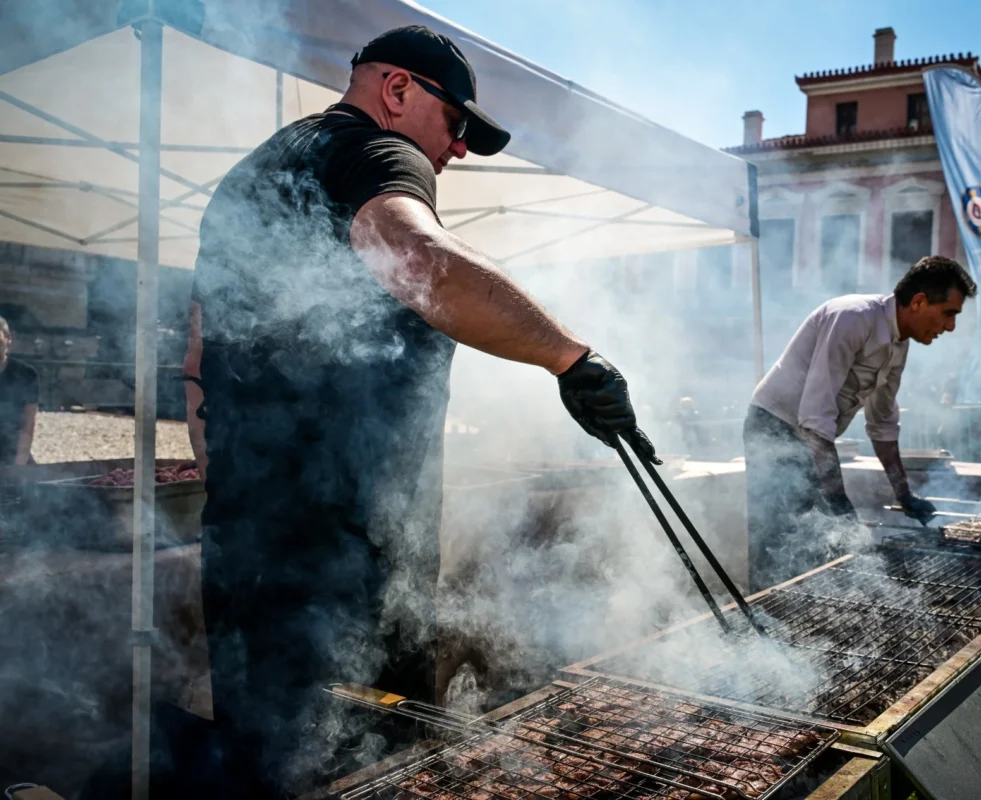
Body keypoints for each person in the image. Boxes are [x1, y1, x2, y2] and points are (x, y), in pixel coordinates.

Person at [182, 25, 656, 797]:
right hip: (352, 564)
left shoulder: (252, 174)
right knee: (375, 772)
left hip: (246, 547)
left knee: (263, 761)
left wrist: (237, 488)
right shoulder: (377, 152)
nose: (458, 149)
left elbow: (197, 359)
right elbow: (418, 258)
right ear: (397, 90)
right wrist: (572, 359)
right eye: (457, 122)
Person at [743, 256, 976, 592]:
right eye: (949, 313)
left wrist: (905, 494)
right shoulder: (852, 317)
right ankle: (764, 618)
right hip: (773, 427)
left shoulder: (899, 345)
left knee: (814, 536)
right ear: (920, 301)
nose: (950, 326)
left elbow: (882, 422)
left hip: (808, 437)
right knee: (777, 534)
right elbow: (815, 417)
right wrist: (838, 499)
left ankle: (803, 609)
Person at [0, 316, 38, 466]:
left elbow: (28, 423)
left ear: (8, 338)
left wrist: (19, 465)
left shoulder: (26, 374)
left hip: (12, 451)